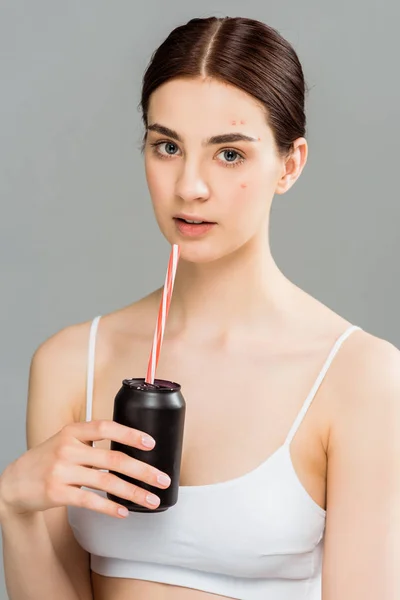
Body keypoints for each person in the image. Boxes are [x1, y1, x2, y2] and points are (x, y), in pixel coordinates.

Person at [0, 15, 398, 600]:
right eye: (167, 147)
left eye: (229, 154)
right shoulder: (69, 362)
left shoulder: (360, 376)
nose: (190, 187)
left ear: (289, 164)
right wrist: (15, 504)